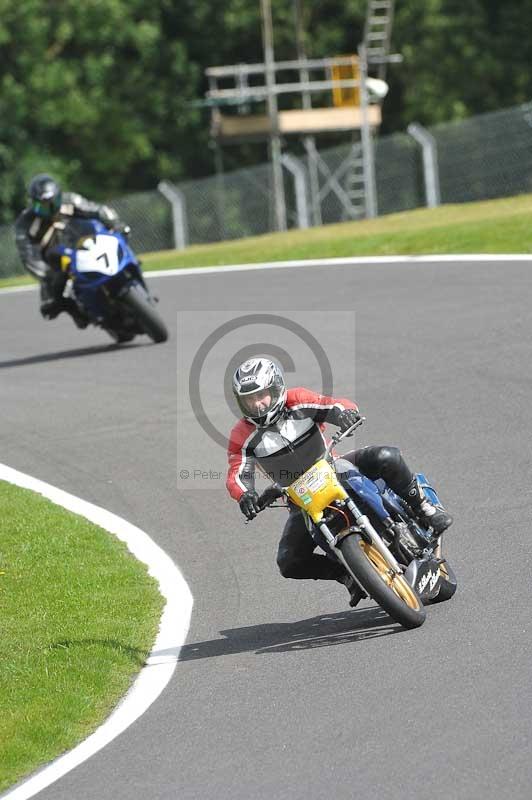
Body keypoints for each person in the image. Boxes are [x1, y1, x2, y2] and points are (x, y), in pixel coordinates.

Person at [226, 356, 453, 608]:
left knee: (386, 456)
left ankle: (425, 508)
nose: (257, 404)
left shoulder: (297, 400)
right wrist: (244, 494)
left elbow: (333, 405)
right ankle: (347, 575)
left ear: (277, 388)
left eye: (262, 395)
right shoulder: (242, 435)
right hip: (301, 498)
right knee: (288, 561)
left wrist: (346, 414)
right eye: (249, 400)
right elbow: (237, 471)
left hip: (334, 468)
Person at [14, 174, 126, 327]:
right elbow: (27, 256)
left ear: (59, 197)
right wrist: (47, 274)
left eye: (53, 204)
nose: (49, 210)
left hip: (90, 245)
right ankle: (77, 310)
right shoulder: (24, 224)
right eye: (42, 206)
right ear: (33, 204)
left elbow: (97, 210)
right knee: (50, 306)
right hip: (59, 264)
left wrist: (115, 223)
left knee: (120, 240)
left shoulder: (71, 200)